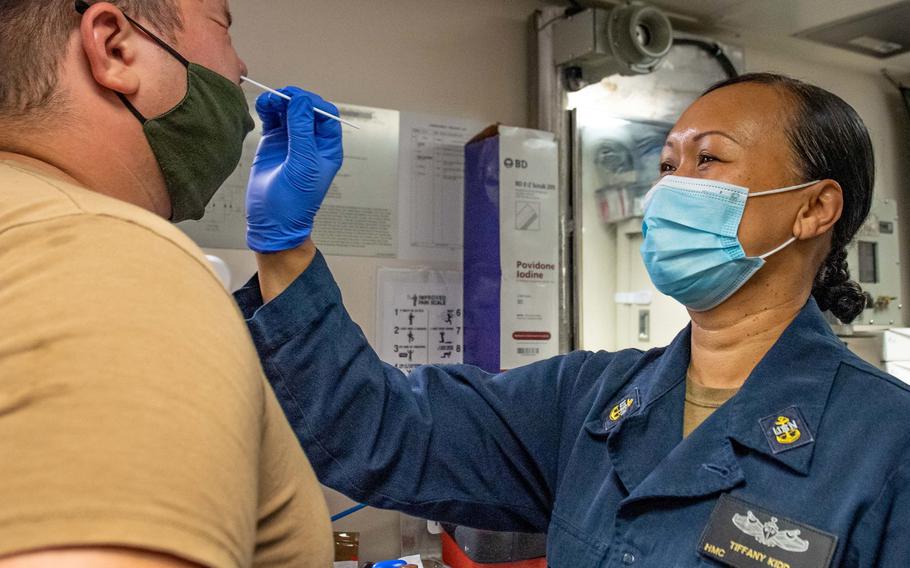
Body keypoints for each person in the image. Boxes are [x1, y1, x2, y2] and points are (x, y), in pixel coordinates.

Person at [238, 73, 910, 567]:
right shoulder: (589, 403)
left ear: (814, 209)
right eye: (668, 165)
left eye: (708, 159)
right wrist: (284, 243)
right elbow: (380, 430)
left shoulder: (887, 442)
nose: (670, 190)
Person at [0, 1, 338, 566]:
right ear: (115, 47)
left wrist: (284, 249)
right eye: (223, 28)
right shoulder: (107, 256)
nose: (240, 66)